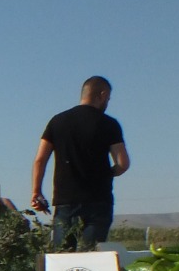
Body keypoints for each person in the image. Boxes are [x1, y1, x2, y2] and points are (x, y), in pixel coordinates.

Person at [30, 76, 129, 250]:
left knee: (63, 258)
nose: (107, 103)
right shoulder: (109, 124)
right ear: (102, 94)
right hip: (98, 201)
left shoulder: (57, 121)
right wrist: (105, 174)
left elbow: (40, 160)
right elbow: (123, 163)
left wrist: (36, 192)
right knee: (90, 256)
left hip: (65, 202)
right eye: (108, 98)